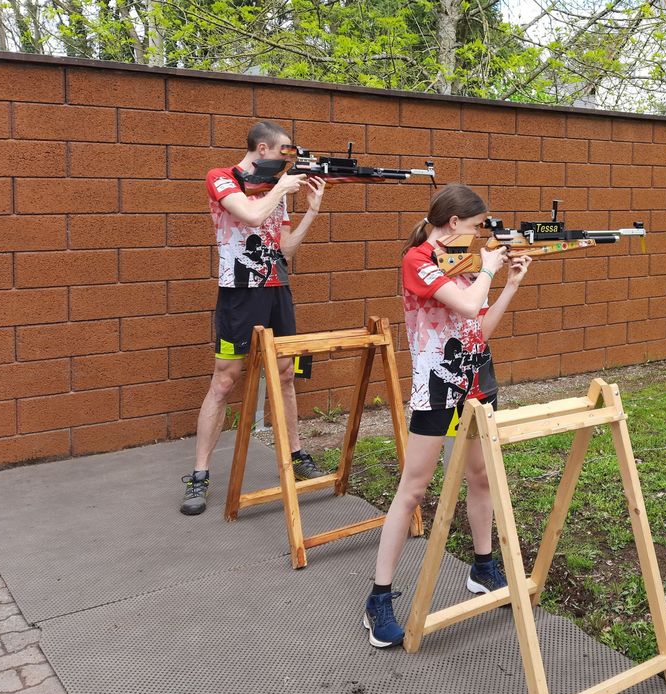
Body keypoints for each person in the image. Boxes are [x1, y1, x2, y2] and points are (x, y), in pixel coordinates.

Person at [362, 183, 532, 648]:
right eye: (477, 227)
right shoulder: (418, 260)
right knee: (413, 489)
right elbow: (468, 303)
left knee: (480, 479)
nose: (482, 237)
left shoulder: (466, 267)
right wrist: (492, 270)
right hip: (437, 391)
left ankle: (482, 567)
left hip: (478, 383)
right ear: (453, 222)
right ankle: (378, 598)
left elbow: (479, 326)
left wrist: (510, 282)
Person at [180, 120, 328, 515]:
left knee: (285, 375)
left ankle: (297, 455)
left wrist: (311, 211)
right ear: (262, 150)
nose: (287, 162)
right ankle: (199, 475)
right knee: (225, 381)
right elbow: (247, 215)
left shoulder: (276, 189)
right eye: (283, 153)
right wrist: (282, 186)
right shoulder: (222, 178)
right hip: (239, 294)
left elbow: (286, 250)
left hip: (278, 289)